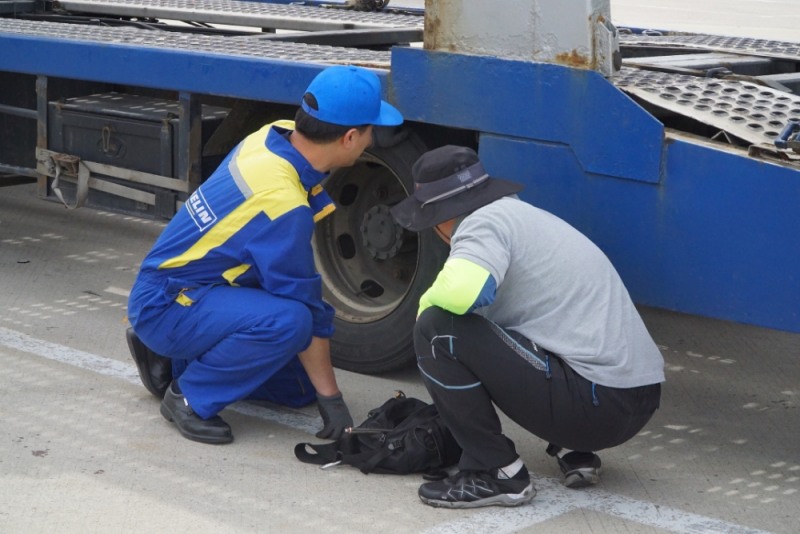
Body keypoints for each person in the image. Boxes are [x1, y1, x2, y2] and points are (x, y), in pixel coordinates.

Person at [127, 65, 403, 445]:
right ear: (350, 137)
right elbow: (304, 306)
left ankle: (168, 360)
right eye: (371, 132)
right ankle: (189, 397)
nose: (372, 141)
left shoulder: (271, 136)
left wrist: (319, 391)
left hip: (189, 287)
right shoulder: (283, 205)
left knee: (299, 388)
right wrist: (333, 401)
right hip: (167, 302)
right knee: (291, 322)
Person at [390, 145, 665, 509]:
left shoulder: (481, 224)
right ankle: (573, 447)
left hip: (599, 405)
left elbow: (463, 293)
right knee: (508, 322)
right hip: (635, 397)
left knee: (436, 328)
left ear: (440, 216)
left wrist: (423, 305)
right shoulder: (519, 214)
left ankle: (498, 473)